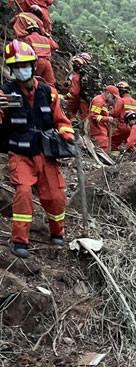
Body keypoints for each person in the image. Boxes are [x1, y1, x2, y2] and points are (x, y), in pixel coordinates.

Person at [0, 40, 75, 258]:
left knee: (55, 196)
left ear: (33, 65)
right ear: (12, 70)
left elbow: (61, 120)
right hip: (20, 154)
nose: (21, 70)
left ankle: (57, 232)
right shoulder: (5, 93)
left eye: (25, 65)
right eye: (16, 67)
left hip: (46, 153)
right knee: (23, 192)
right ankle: (19, 241)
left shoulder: (48, 92)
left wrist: (66, 134)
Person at [109, 81, 136, 152]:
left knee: (112, 142)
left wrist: (107, 112)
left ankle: (114, 159)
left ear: (120, 91)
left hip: (123, 127)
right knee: (130, 145)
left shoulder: (121, 101)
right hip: (134, 129)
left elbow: (115, 113)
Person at [89, 85, 117, 151]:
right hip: (98, 132)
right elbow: (93, 116)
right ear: (107, 93)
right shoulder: (98, 101)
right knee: (102, 151)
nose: (113, 99)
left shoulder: (105, 103)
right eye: (113, 96)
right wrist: (107, 119)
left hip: (102, 132)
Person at [66, 55, 89, 119]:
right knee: (85, 116)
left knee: (70, 110)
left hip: (79, 98)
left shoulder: (76, 77)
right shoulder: (87, 75)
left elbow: (74, 92)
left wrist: (66, 97)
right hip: (86, 99)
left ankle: (72, 123)